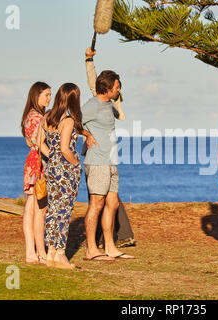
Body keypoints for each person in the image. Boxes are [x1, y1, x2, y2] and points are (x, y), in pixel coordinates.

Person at [81, 53, 134, 261]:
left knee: (112, 204)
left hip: (111, 161)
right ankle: (91, 249)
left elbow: (96, 83)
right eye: (117, 86)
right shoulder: (92, 105)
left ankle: (110, 247)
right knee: (97, 204)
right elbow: (73, 120)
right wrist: (86, 134)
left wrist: (90, 62)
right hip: (97, 161)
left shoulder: (108, 105)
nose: (119, 89)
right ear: (109, 87)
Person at [39, 83, 83, 270]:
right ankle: (60, 254)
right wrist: (75, 164)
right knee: (64, 211)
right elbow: (65, 148)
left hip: (51, 168)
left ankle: (50, 253)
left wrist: (52, 157)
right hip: (66, 170)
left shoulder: (47, 117)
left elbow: (39, 143)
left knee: (52, 210)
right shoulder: (68, 120)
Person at [21, 81, 51, 264]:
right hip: (38, 163)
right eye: (46, 94)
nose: (49, 98)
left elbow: (29, 142)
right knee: (35, 209)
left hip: (34, 162)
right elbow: (39, 144)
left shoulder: (30, 116)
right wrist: (56, 158)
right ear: (36, 95)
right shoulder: (37, 117)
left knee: (33, 207)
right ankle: (34, 252)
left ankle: (35, 251)